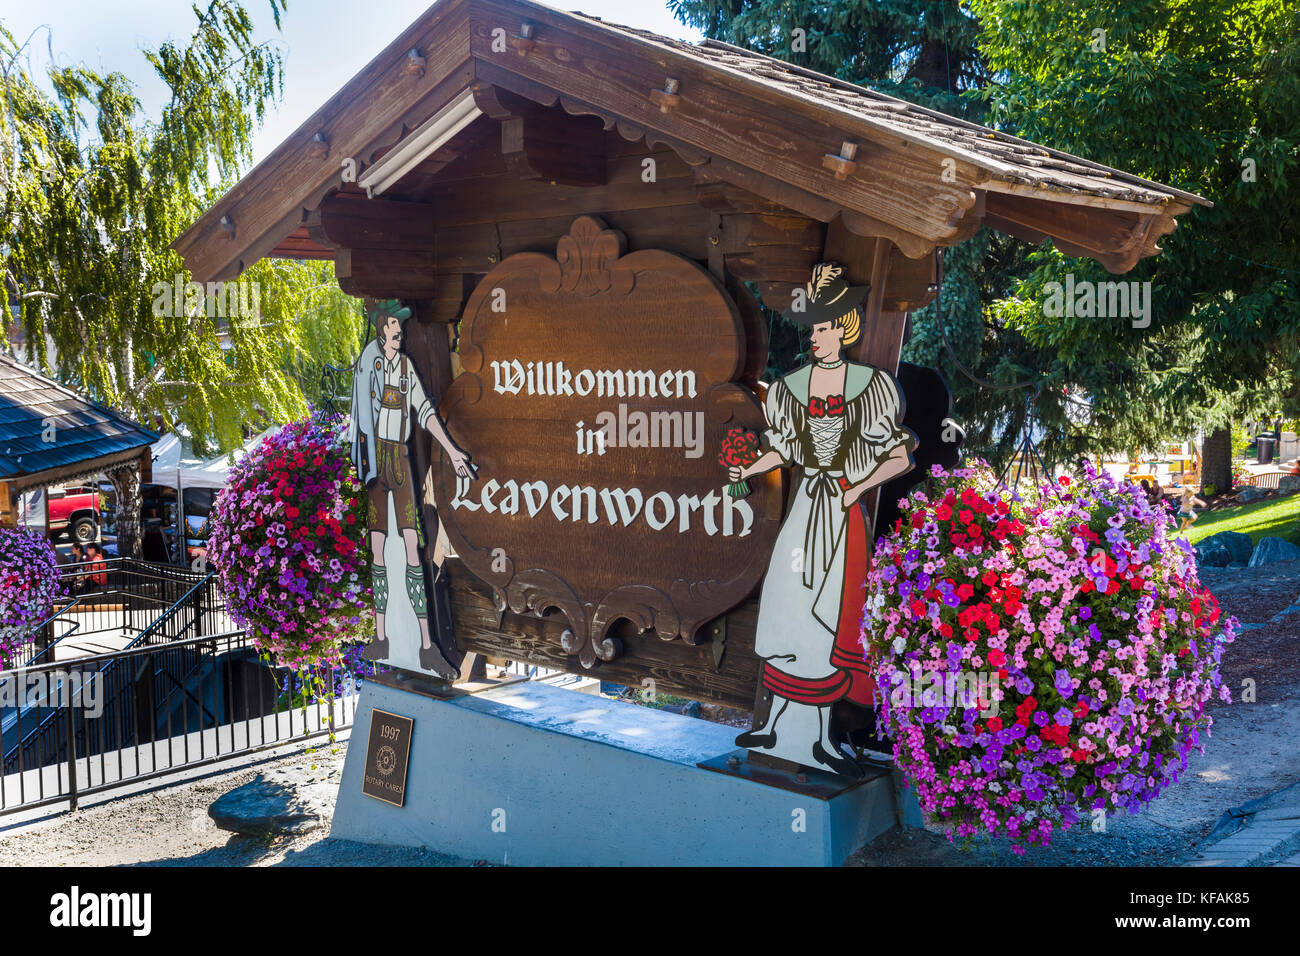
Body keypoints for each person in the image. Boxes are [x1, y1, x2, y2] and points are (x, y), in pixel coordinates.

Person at [729, 262, 916, 777]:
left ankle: (816, 737)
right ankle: (778, 725)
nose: (816, 336)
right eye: (812, 327)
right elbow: (784, 449)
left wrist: (855, 485)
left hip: (839, 512)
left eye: (825, 326)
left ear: (845, 329)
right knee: (788, 604)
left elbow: (898, 455)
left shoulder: (870, 386)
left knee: (825, 616)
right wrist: (748, 465)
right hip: (806, 507)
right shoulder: (792, 388)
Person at [349, 299, 475, 677]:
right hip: (377, 460)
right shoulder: (367, 366)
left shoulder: (406, 368)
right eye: (392, 325)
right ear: (380, 328)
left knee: (409, 545)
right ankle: (383, 637)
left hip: (400, 458)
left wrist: (453, 452)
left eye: (401, 326)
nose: (398, 331)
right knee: (377, 548)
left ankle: (425, 645)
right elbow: (360, 422)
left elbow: (424, 412)